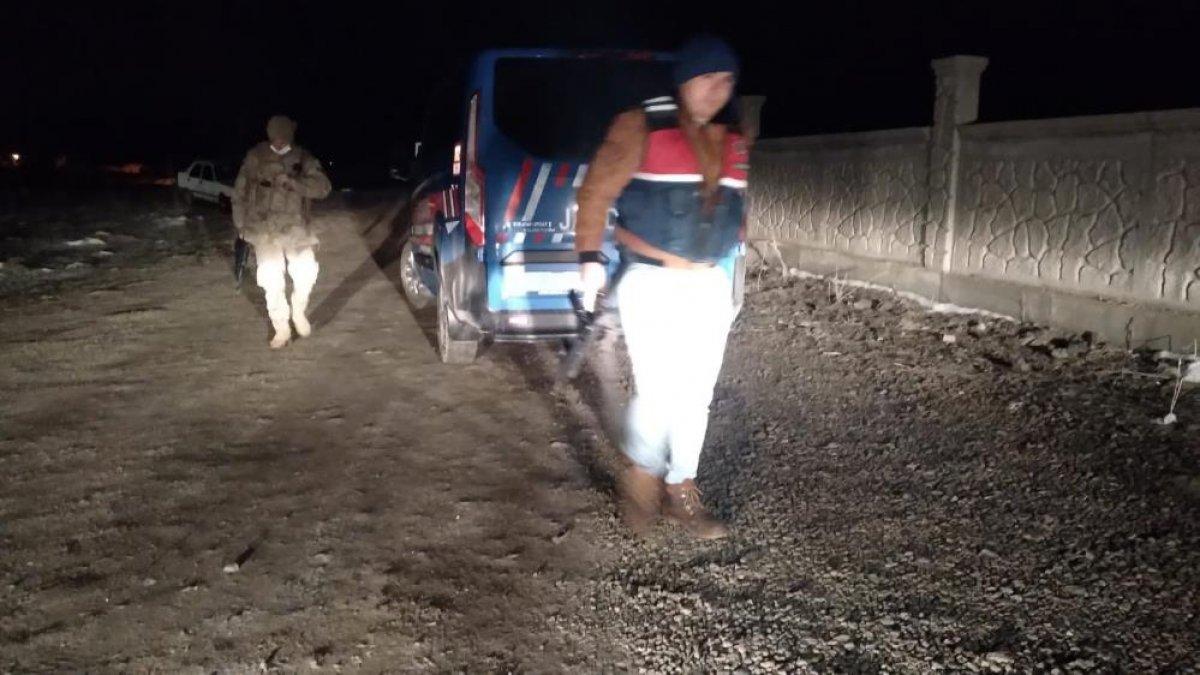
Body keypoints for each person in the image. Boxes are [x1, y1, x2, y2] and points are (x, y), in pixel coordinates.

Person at [574, 36, 749, 539]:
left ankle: (682, 489)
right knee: (657, 391)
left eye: (727, 81)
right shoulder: (640, 125)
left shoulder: (733, 136)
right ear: (685, 80)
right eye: (708, 78)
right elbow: (596, 191)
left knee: (698, 393)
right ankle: (642, 477)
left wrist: (734, 271)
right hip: (651, 280)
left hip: (709, 283)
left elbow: (737, 210)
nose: (718, 90)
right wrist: (588, 257)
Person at [232, 115, 332, 349]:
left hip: (297, 228)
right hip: (264, 228)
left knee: (306, 272)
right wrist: (241, 225)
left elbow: (323, 187)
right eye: (274, 137)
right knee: (270, 278)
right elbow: (239, 191)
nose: (278, 142)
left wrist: (296, 184)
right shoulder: (255, 156)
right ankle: (281, 327)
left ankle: (299, 310)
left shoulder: (303, 157)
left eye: (282, 137)